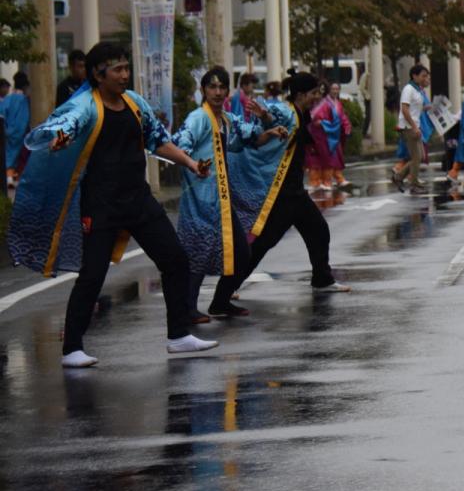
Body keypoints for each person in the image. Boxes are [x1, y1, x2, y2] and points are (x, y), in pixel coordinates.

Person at [8, 41, 218, 368]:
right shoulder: (86, 107)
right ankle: (72, 349)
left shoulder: (134, 104)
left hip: (138, 199)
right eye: (117, 69)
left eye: (126, 68)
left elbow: (157, 140)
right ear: (97, 73)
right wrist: (59, 138)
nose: (124, 75)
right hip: (101, 204)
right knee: (92, 274)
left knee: (175, 259)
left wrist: (190, 164)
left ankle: (178, 335)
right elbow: (62, 127)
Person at [216, 69, 351, 312]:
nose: (315, 98)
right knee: (262, 244)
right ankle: (226, 292)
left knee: (318, 230)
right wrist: (266, 115)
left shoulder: (301, 112)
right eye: (312, 94)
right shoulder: (288, 110)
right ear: (300, 94)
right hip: (281, 192)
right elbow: (274, 120)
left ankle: (322, 279)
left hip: (294, 191)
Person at [172, 66, 286, 322]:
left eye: (222, 87)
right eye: (212, 87)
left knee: (242, 252)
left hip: (220, 199)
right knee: (197, 252)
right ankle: (187, 309)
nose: (217, 92)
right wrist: (192, 164)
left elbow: (249, 138)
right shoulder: (197, 119)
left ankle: (221, 301)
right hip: (200, 198)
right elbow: (181, 146)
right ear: (203, 90)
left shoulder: (226, 119)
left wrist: (269, 129)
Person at [395, 64, 431, 192]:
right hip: (409, 126)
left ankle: (399, 176)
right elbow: (404, 109)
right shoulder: (408, 89)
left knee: (420, 156)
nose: (425, 78)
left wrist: (428, 108)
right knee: (416, 157)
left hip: (415, 125)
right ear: (414, 76)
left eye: (427, 76)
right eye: (423, 76)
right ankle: (413, 183)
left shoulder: (418, 90)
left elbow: (416, 109)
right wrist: (415, 127)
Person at [311, 82, 353, 188]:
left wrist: (347, 126)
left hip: (334, 134)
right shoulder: (325, 103)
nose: (335, 91)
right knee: (327, 159)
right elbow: (316, 117)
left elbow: (342, 116)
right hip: (325, 135)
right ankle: (326, 181)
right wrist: (323, 124)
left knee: (336, 158)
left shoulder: (337, 103)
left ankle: (338, 179)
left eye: (337, 89)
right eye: (333, 89)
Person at [3, 72, 31, 187]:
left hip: (7, 132)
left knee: (9, 155)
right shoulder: (24, 100)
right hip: (21, 133)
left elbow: (2, 113)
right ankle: (17, 178)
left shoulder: (8, 98)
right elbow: (25, 118)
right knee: (21, 157)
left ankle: (9, 177)